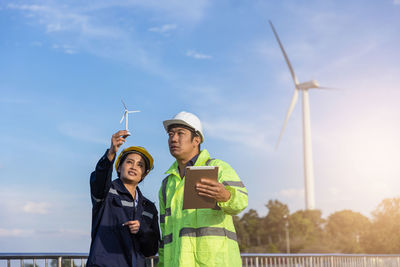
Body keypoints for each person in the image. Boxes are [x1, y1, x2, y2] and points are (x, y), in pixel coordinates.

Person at [158, 111, 248, 267]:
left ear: (196, 140)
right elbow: (165, 234)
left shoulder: (218, 168)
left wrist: (226, 196)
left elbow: (241, 201)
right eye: (170, 134)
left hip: (215, 262)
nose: (173, 139)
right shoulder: (167, 184)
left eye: (180, 133)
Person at [87, 130, 160, 267]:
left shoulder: (149, 208)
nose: (134, 167)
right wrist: (111, 153)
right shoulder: (106, 193)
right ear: (119, 167)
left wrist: (141, 229)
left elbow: (152, 249)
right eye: (129, 162)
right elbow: (99, 178)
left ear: (144, 174)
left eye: (140, 165)